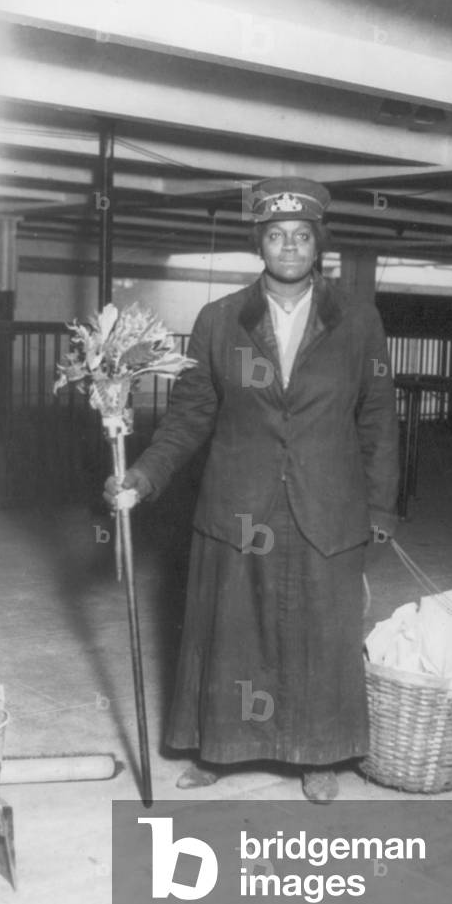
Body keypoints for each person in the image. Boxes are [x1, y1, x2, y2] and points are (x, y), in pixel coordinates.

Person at [104, 177, 399, 803]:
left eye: (301, 235)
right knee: (233, 635)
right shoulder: (218, 320)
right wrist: (143, 476)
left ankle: (319, 755)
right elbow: (189, 417)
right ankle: (220, 750)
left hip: (327, 503)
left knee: (322, 634)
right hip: (237, 502)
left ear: (317, 244)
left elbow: (377, 418)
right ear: (258, 244)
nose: (289, 246)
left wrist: (380, 508)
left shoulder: (358, 320)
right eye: (275, 235)